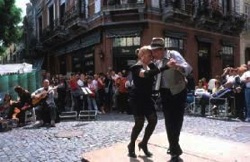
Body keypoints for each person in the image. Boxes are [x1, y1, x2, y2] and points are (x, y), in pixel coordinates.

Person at [150, 37, 192, 162]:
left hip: (178, 91)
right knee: (169, 121)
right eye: (152, 51)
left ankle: (174, 147)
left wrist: (177, 66)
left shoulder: (173, 54)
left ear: (162, 49)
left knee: (177, 120)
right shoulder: (155, 61)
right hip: (164, 93)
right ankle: (174, 148)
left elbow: (188, 68)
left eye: (156, 51)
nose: (153, 53)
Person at [127, 45, 174, 158]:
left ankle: (143, 143)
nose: (151, 58)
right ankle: (131, 145)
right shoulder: (136, 67)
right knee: (139, 123)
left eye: (152, 56)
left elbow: (155, 70)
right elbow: (148, 74)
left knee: (153, 121)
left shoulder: (150, 65)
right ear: (142, 56)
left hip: (147, 99)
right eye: (149, 56)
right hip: (137, 99)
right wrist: (165, 67)